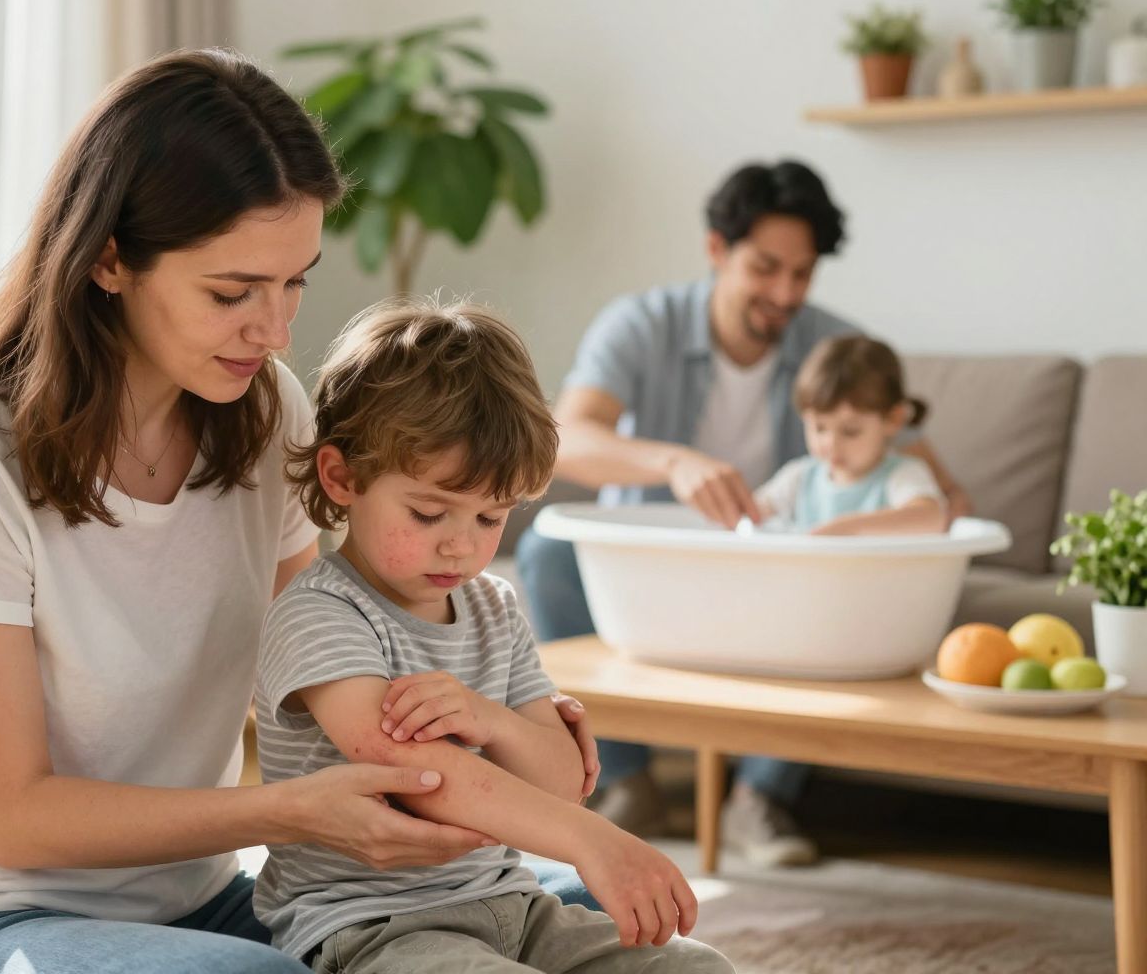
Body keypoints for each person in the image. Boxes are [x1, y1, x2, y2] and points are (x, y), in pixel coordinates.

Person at [0, 49, 599, 974]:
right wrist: (288, 813)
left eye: (294, 282)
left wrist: (509, 728)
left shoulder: (263, 414)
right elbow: (11, 819)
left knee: (577, 901)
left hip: (203, 898)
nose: (277, 330)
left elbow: (339, 651)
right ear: (110, 259)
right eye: (231, 292)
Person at [254, 299, 734, 974]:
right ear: (342, 478)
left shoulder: (492, 606)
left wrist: (488, 718)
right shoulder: (318, 614)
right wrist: (592, 842)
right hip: (374, 931)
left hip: (516, 907)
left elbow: (563, 779)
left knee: (696, 968)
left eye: (490, 518)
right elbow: (417, 774)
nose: (460, 544)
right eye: (428, 512)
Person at [517, 160, 968, 867]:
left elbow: (938, 485)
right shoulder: (642, 325)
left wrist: (899, 515)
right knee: (545, 551)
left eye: (802, 273)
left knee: (836, 591)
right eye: (766, 268)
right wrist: (671, 462)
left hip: (786, 585)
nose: (785, 293)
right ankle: (628, 781)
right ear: (717, 250)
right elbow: (564, 437)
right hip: (657, 576)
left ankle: (759, 797)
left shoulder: (836, 348)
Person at [754, 335, 945, 535]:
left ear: (893, 420)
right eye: (819, 428)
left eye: (850, 431)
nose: (831, 444)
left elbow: (932, 519)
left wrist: (851, 528)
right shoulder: (799, 477)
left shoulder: (902, 474)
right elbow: (751, 515)